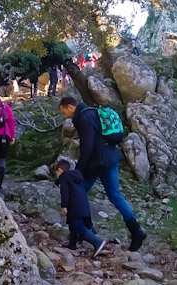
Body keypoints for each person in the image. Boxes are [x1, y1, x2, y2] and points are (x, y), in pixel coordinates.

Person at [59, 96, 147, 251]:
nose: (66, 115)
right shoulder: (92, 112)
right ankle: (136, 230)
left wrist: (78, 172)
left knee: (77, 191)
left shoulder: (83, 117)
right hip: (111, 158)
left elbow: (88, 147)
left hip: (97, 162)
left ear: (71, 106)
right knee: (115, 195)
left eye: (65, 111)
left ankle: (86, 232)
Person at [55, 159, 107, 257]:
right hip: (83, 205)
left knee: (77, 226)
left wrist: (64, 206)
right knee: (73, 225)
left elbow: (64, 192)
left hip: (74, 206)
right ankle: (72, 244)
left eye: (56, 172)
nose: (57, 175)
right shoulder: (77, 175)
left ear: (59, 170)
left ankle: (97, 242)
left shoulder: (64, 176)